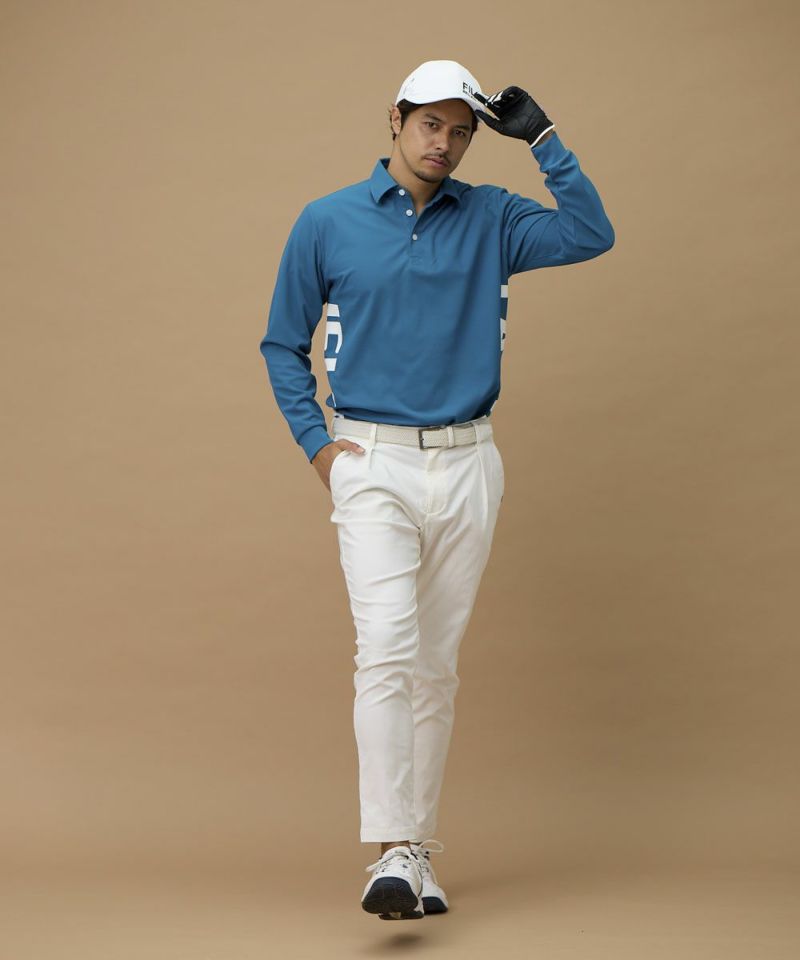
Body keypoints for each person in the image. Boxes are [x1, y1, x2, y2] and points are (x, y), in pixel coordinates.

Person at [258, 59, 615, 920]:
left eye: (461, 132)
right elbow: (281, 344)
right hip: (371, 461)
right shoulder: (327, 221)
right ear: (396, 118)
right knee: (385, 647)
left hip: (468, 463)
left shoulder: (493, 217)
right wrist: (320, 449)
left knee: (434, 666)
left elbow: (590, 233)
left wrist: (544, 139)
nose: (444, 144)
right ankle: (390, 850)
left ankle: (415, 852)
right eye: (430, 124)